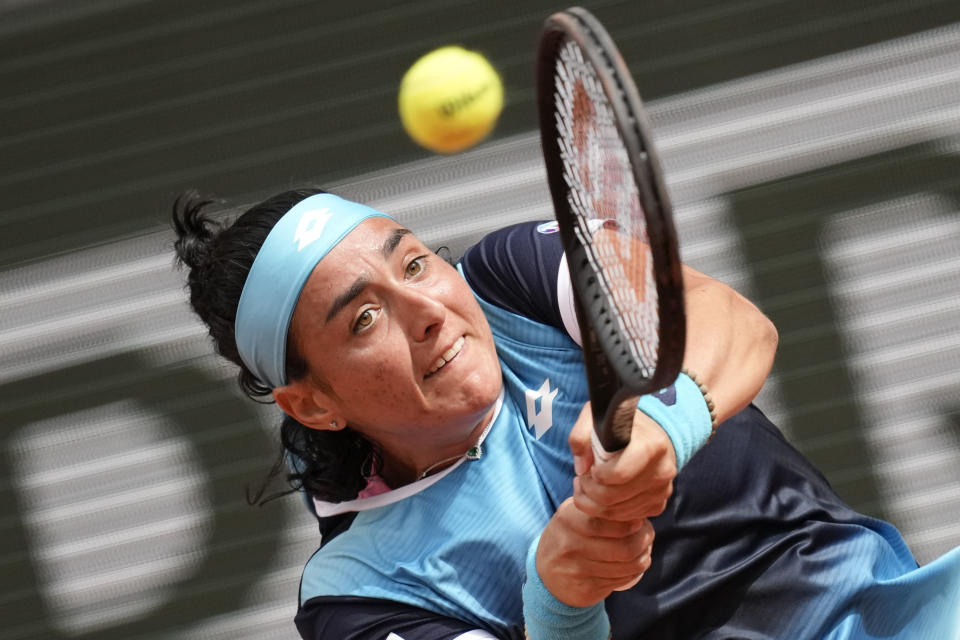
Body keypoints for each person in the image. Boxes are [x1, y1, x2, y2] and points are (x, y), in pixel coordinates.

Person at [172, 188, 960, 640]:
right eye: (363, 320)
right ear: (311, 401)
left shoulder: (519, 281)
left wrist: (666, 420)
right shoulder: (358, 595)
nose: (429, 308)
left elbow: (737, 325)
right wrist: (561, 603)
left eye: (414, 262)